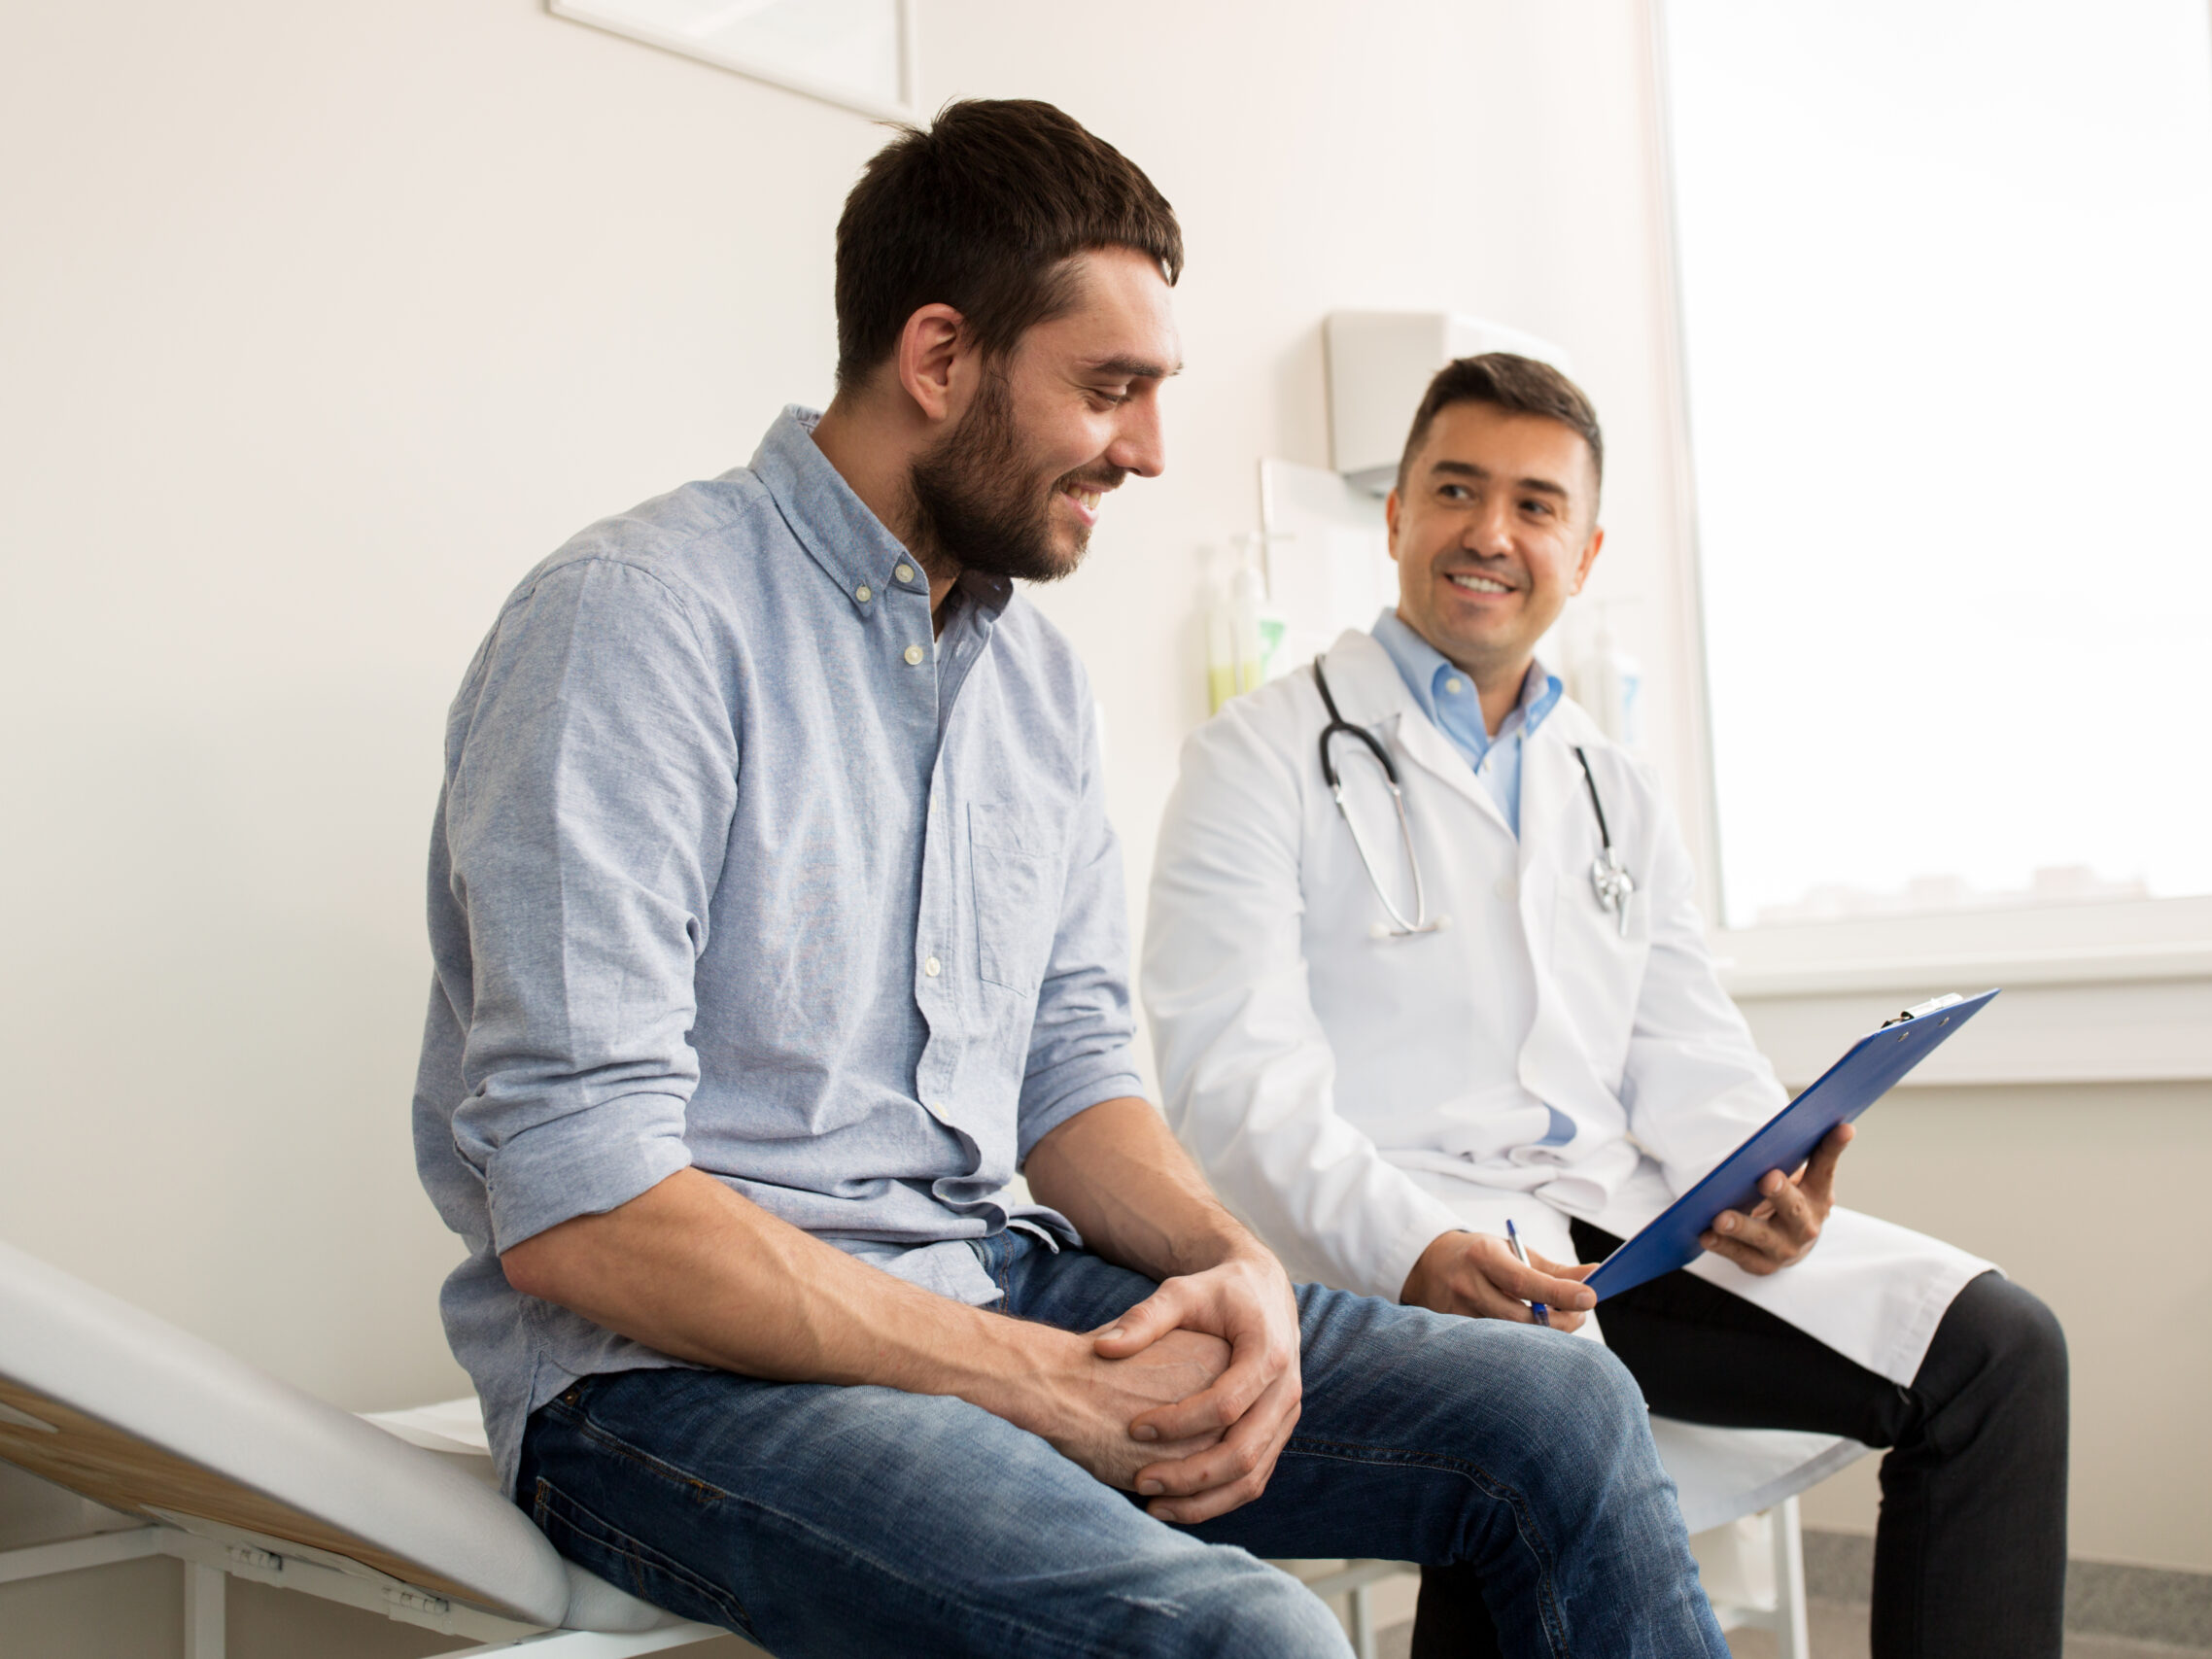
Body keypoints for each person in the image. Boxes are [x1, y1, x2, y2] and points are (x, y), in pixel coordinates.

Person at [411, 103, 1729, 1659]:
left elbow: (1072, 1081)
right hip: (667, 1379)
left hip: (987, 1277)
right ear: (941, 358)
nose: (1151, 451)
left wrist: (1235, 1267)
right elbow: (586, 1213)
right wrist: (1028, 1379)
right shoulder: (635, 625)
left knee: (1561, 1407)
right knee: (1255, 1640)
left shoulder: (1029, 684)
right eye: (1111, 390)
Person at [1143, 353, 2071, 1659]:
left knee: (1996, 1350)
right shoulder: (1256, 761)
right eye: (1456, 490)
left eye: (1535, 505)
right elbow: (1231, 1086)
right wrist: (1411, 1248)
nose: (1491, 532)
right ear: (1398, 515)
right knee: (1535, 1424)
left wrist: (1766, 1170)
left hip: (1622, 1235)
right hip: (1392, 1246)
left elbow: (1684, 1044)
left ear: (1582, 553)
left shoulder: (1611, 787)